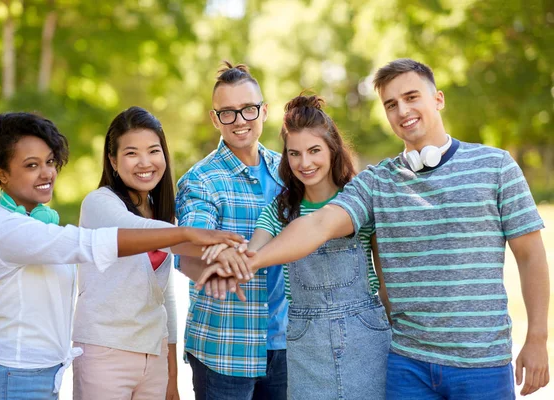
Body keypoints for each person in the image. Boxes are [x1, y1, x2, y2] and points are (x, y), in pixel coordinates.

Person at [198, 59, 551, 399]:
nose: (403, 111)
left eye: (412, 97)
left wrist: (536, 337)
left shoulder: (495, 166)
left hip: (482, 362)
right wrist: (249, 261)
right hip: (407, 364)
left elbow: (531, 255)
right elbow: (319, 223)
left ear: (438, 98)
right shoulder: (377, 182)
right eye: (391, 104)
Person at [0, 112, 244, 400]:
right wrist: (188, 234)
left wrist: (220, 266)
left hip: (44, 375)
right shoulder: (6, 229)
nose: (47, 173)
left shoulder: (39, 222)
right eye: (32, 165)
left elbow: (164, 294)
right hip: (10, 377)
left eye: (50, 162)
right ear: (1, 173)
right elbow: (90, 241)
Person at [202, 93, 391, 399]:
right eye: (294, 153)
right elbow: (254, 252)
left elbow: (385, 283)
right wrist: (231, 264)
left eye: (314, 150)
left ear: (332, 150)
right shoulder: (279, 211)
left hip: (367, 338)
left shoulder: (358, 199)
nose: (305, 163)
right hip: (305, 349)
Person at [175, 61, 288, 400]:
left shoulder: (287, 171)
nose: (240, 120)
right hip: (225, 347)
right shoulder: (200, 179)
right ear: (215, 118)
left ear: (264, 111)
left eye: (248, 109)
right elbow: (193, 239)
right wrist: (220, 254)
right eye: (228, 112)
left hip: (285, 343)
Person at [72, 107, 183, 399]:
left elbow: (166, 298)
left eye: (153, 151)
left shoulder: (163, 217)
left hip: (154, 354)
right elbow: (132, 229)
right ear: (113, 160)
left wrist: (172, 375)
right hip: (105, 353)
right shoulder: (98, 204)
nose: (145, 163)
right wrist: (196, 236)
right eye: (132, 153)